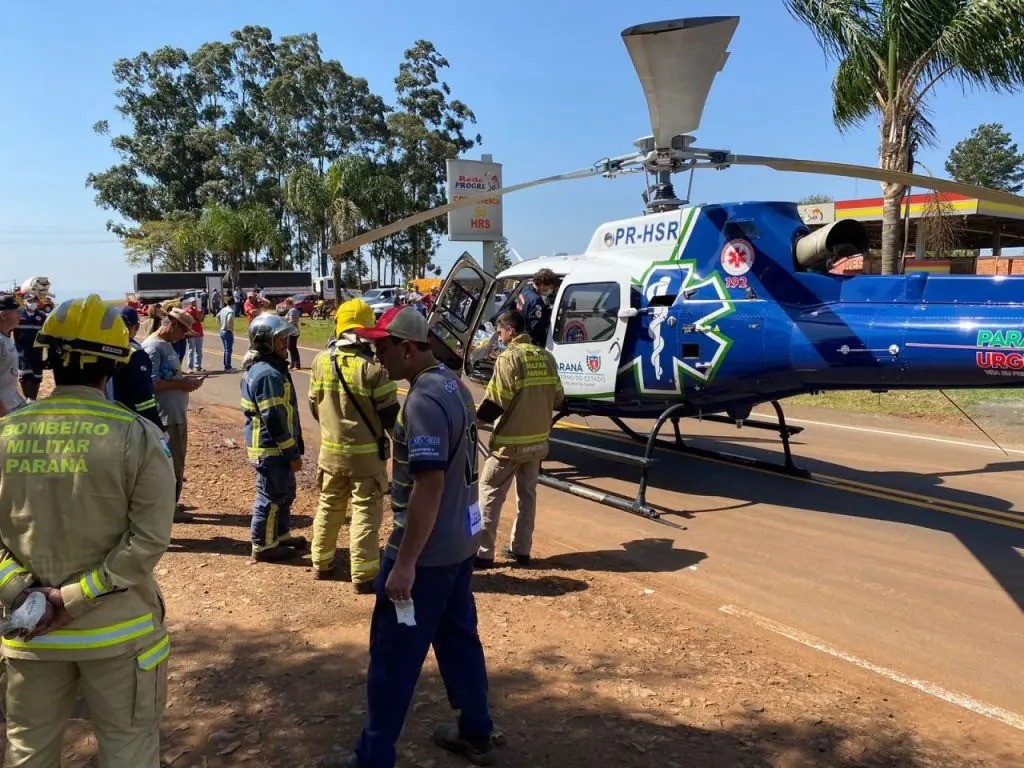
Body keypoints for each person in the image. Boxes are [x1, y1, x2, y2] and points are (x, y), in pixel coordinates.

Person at [0, 294, 175, 767]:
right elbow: (148, 540)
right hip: (120, 634)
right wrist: (74, 598)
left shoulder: (7, 432)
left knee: (27, 754)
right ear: (115, 364)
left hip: (29, 632)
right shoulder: (137, 436)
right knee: (129, 751)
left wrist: (23, 592)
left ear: (50, 357)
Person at [340, 306, 495, 768]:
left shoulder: (424, 400)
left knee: (393, 655)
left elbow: (429, 485)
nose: (375, 358)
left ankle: (373, 756)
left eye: (380, 348)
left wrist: (405, 563)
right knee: (458, 638)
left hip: (425, 555)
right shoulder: (454, 384)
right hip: (458, 544)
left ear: (406, 348)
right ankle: (476, 730)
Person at [308, 300, 398, 590]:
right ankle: (364, 575)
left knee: (329, 506)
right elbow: (391, 419)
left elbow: (314, 406)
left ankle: (321, 563)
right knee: (365, 513)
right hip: (366, 460)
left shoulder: (320, 361)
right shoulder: (373, 370)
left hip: (330, 455)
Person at [474, 311, 563, 568]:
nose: (499, 338)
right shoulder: (547, 357)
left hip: (508, 446)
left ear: (510, 331)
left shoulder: (508, 359)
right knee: (527, 496)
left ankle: (483, 553)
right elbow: (558, 398)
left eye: (500, 333)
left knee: (490, 493)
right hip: (537, 445)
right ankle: (521, 550)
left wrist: (473, 423)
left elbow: (495, 402)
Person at [241, 314, 307, 563]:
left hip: (278, 448)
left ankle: (280, 535)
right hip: (271, 449)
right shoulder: (267, 374)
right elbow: (274, 418)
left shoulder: (273, 368)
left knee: (284, 493)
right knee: (270, 497)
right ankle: (263, 546)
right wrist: (291, 452)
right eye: (280, 340)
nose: (285, 345)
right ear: (265, 342)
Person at [143, 308, 203, 522]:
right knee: (170, 463)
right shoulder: (153, 347)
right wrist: (183, 384)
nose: (183, 336)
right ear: (172, 325)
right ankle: (168, 508)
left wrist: (185, 381)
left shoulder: (166, 345)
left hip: (175, 413)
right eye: (182, 330)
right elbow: (152, 383)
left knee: (177, 462)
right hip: (165, 415)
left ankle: (172, 502)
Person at [110, 306, 165, 432]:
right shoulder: (135, 353)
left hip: (108, 421)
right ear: (136, 327)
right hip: (131, 424)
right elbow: (144, 399)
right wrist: (158, 429)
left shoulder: (104, 350)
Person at [13, 292, 47, 402]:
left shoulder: (41, 316)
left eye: (34, 301)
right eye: (30, 301)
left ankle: (33, 398)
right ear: (24, 302)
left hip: (37, 354)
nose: (33, 303)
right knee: (26, 376)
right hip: (22, 353)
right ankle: (29, 399)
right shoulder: (19, 315)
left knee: (37, 378)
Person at [518, 268, 560, 347]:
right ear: (542, 284)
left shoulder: (525, 292)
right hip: (532, 342)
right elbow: (537, 327)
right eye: (550, 287)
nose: (550, 290)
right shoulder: (536, 300)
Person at [0, 295, 26, 417]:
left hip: (12, 405)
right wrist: (3, 414)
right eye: (17, 312)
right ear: (3, 315)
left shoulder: (6, 337)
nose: (20, 316)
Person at [183, 297, 205, 372]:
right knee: (191, 350)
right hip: (191, 333)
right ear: (189, 303)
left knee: (199, 351)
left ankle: (198, 366)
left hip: (199, 332)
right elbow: (186, 321)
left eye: (194, 302)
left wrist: (199, 313)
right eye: (192, 302)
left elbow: (201, 320)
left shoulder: (198, 310)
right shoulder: (186, 310)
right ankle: (190, 367)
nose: (194, 303)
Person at [217, 296, 236, 371]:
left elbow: (217, 316)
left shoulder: (223, 309)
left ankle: (226, 365)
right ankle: (228, 367)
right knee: (229, 350)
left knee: (226, 349)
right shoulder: (231, 311)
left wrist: (221, 324)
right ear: (233, 303)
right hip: (227, 331)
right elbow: (229, 320)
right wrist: (231, 329)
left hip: (222, 331)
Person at [284, 297, 303, 369]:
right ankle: (292, 364)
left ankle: (297, 364)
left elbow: (292, 321)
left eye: (285, 303)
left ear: (288, 303)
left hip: (293, 332)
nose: (285, 305)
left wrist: (284, 324)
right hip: (290, 332)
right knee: (290, 347)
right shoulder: (291, 310)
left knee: (292, 348)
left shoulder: (293, 310)